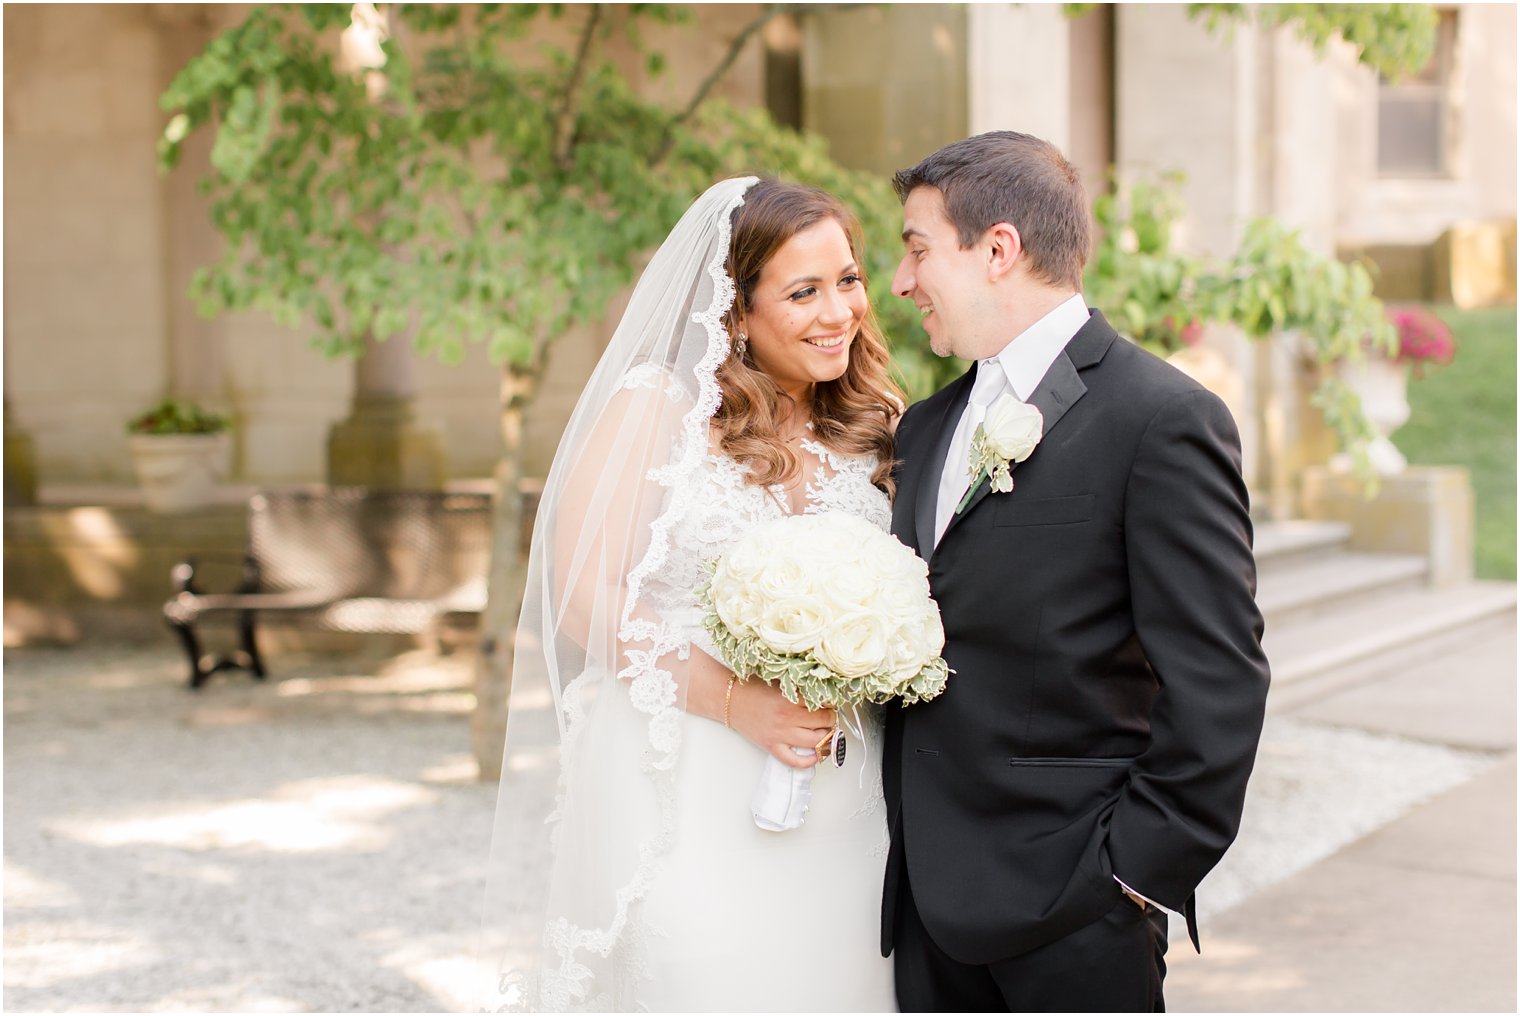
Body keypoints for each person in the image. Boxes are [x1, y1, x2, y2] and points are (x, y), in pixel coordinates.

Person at [482, 177, 901, 1012]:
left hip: (845, 786)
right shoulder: (658, 409)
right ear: (736, 311)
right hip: (686, 780)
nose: (838, 312)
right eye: (803, 292)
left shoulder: (873, 420)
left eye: (848, 280)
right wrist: (736, 701)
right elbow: (581, 595)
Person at [881, 131, 1271, 1011]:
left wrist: (1132, 874)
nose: (901, 282)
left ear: (998, 249)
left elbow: (1219, 680)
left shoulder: (1161, 418)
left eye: (916, 249)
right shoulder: (924, 428)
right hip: (923, 915)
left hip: (1076, 913)